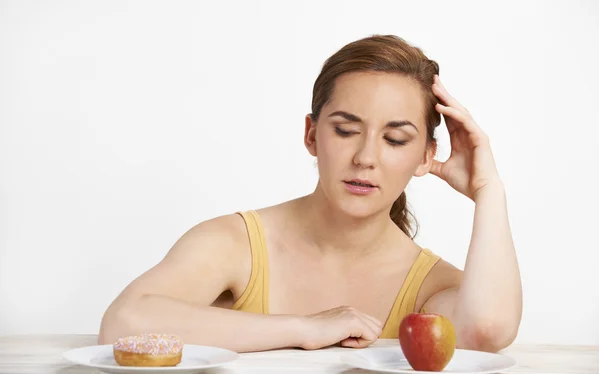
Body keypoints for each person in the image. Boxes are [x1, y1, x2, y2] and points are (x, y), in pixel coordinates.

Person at [98, 34, 522, 353]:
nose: (365, 157)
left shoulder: (432, 284)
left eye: (395, 139)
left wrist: (489, 191)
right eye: (346, 130)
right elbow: (123, 322)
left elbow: (487, 330)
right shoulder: (235, 242)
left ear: (426, 156)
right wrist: (305, 327)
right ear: (312, 135)